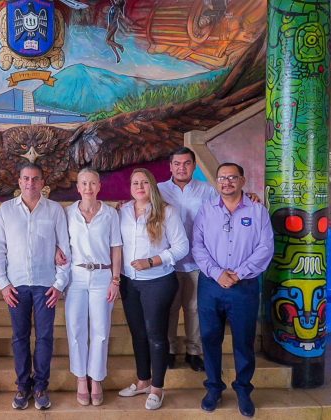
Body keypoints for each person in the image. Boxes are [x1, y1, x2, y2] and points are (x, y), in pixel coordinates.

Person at [192, 162, 273, 417]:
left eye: (232, 177)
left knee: (244, 340)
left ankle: (243, 390)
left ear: (242, 180)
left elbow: (265, 248)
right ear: (216, 182)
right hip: (211, 285)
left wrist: (238, 273)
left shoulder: (258, 211)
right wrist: (218, 273)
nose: (226, 182)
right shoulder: (206, 209)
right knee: (209, 338)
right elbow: (197, 246)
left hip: (244, 286)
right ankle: (214, 388)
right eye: (222, 178)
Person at [0, 162, 70, 411]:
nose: (30, 183)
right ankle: (23, 386)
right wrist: (3, 284)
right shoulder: (6, 210)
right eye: (26, 178)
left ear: (42, 182)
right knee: (20, 337)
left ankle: (41, 386)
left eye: (35, 179)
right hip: (16, 286)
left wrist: (59, 284)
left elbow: (65, 250)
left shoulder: (55, 210)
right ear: (19, 181)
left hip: (46, 285)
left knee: (45, 337)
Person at [117, 168, 188, 410]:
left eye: (144, 182)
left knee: (156, 335)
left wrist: (152, 261)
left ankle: (157, 387)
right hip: (129, 281)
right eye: (135, 183)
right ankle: (143, 381)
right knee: (138, 334)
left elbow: (182, 247)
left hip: (158, 281)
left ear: (152, 186)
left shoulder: (167, 211)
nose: (139, 187)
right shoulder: (123, 211)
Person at [63, 168, 122, 406]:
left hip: (102, 275)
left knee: (100, 329)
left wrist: (115, 280)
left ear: (99, 186)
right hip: (75, 276)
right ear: (78, 188)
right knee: (75, 328)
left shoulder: (110, 214)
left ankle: (96, 379)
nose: (88, 188)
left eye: (93, 183)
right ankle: (80, 377)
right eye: (84, 183)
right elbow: (60, 242)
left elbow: (116, 247)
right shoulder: (67, 213)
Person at [158, 147, 217, 372]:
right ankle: (171, 350)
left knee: (193, 309)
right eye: (177, 163)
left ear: (194, 165)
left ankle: (194, 351)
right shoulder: (159, 190)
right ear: (170, 166)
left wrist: (250, 196)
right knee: (170, 308)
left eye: (186, 163)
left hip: (196, 261)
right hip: (168, 262)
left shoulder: (207, 191)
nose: (181, 168)